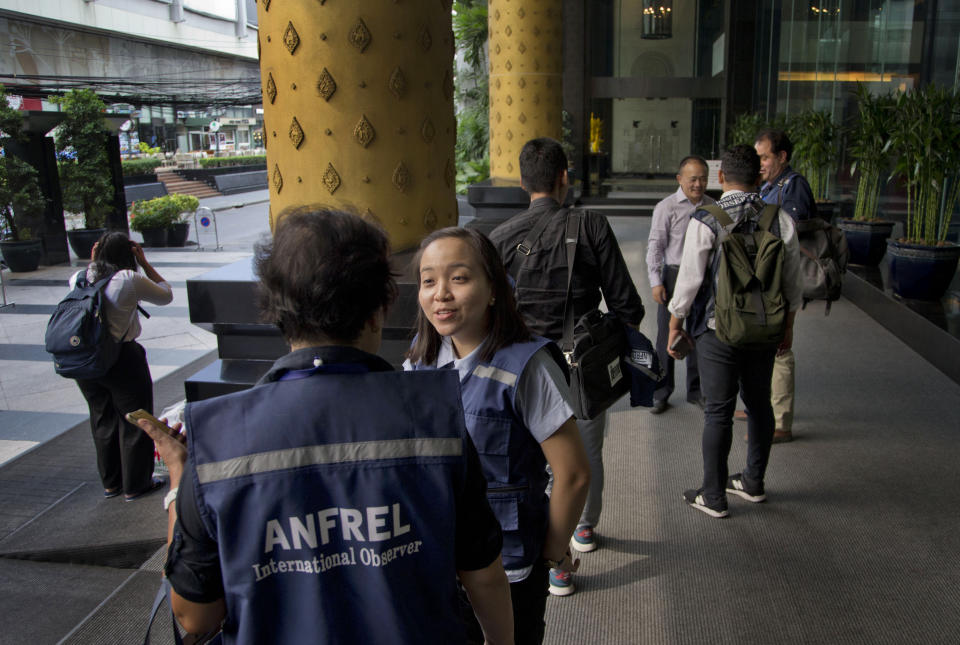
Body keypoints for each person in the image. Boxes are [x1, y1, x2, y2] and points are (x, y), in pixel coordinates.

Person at [139, 208, 514, 644]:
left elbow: (194, 618)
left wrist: (179, 481)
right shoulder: (436, 416)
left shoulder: (218, 439)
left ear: (276, 312)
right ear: (379, 310)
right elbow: (483, 574)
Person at [406, 227, 590, 642]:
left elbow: (574, 473)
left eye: (459, 278)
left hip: (509, 564)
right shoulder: (421, 356)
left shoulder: (528, 366)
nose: (441, 294)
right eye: (428, 280)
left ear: (493, 289)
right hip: (438, 557)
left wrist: (553, 550)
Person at [488, 137, 644, 575]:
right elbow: (626, 305)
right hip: (582, 364)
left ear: (523, 183)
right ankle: (583, 531)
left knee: (532, 459)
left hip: (520, 367)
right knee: (584, 454)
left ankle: (547, 559)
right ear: (564, 178)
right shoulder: (592, 225)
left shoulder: (500, 238)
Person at [666, 145, 803, 518]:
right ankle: (753, 483)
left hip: (718, 331)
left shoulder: (706, 218)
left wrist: (675, 323)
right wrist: (787, 327)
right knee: (760, 405)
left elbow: (689, 282)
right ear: (759, 178)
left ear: (722, 177)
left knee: (718, 413)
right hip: (764, 329)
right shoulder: (781, 220)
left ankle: (714, 496)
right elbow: (793, 285)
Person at [73, 231, 173, 501]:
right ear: (129, 255)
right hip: (122, 357)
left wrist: (93, 261)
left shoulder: (79, 277)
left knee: (102, 418)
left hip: (86, 359)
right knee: (136, 419)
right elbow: (166, 295)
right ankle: (136, 484)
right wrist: (145, 262)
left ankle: (111, 484)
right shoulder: (127, 279)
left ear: (97, 253)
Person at [749, 129, 817, 443]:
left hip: (781, 281)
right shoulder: (767, 187)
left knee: (780, 350)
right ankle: (759, 407)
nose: (759, 163)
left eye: (764, 157)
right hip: (762, 279)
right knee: (761, 347)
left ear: (782, 157)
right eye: (757, 157)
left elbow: (788, 234)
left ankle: (781, 423)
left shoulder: (794, 186)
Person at [645, 155, 714, 415]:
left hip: (703, 279)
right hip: (673, 277)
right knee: (667, 335)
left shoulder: (712, 206)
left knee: (700, 333)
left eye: (703, 178)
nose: (698, 184)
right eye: (693, 178)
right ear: (680, 179)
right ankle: (661, 392)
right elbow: (655, 247)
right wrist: (655, 281)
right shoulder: (667, 207)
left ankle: (696, 391)